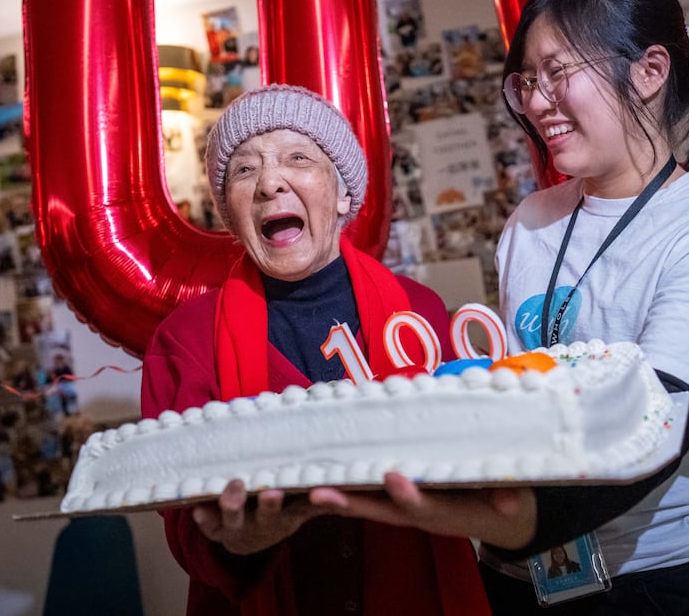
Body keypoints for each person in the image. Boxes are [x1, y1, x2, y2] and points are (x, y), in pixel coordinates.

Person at [308, 0, 689, 615]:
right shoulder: (531, 221)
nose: (538, 102)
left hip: (662, 585)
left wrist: (501, 519)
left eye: (558, 73)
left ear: (650, 71)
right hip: (525, 584)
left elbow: (653, 432)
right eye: (527, 82)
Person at [141, 84, 490, 616]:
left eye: (297, 158)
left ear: (344, 193)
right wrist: (234, 542)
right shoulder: (182, 342)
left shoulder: (418, 314)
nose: (269, 183)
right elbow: (185, 523)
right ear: (231, 216)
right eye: (243, 170)